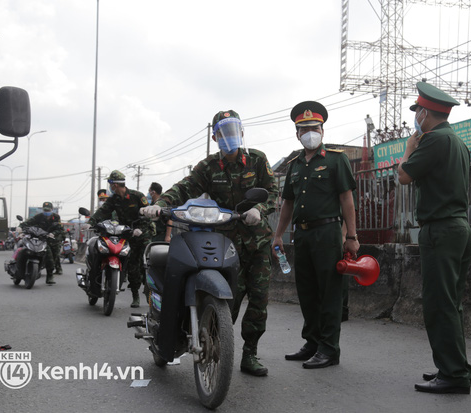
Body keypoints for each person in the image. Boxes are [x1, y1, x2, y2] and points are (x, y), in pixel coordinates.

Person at [142, 110, 278, 377]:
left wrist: (260, 209)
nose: (229, 137)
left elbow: (273, 191)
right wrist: (159, 205)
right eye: (222, 132)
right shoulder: (208, 167)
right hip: (225, 241)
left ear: (241, 131)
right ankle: (219, 346)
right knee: (230, 298)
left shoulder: (257, 159)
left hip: (258, 240)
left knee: (260, 300)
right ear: (215, 137)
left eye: (232, 130)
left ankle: (250, 353)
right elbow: (184, 187)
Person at [397, 81, 471, 394]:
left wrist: (407, 150)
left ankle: (454, 375)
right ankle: (452, 367)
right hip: (459, 228)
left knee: (439, 305)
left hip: (441, 230)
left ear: (425, 112)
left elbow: (403, 176)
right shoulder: (457, 141)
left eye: (417, 112)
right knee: (450, 304)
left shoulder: (433, 140)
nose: (416, 118)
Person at [272, 101, 359, 369]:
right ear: (297, 134)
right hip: (303, 235)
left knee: (330, 292)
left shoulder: (336, 159)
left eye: (315, 127)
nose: (310, 132)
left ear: (322, 130)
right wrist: (278, 236)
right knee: (307, 291)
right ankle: (312, 342)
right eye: (305, 128)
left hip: (328, 233)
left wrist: (351, 236)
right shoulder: (295, 164)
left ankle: (329, 348)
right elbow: (287, 202)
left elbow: (347, 199)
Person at [88, 170, 152, 308]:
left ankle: (149, 292)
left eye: (110, 183)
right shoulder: (114, 199)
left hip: (143, 233)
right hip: (128, 233)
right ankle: (135, 296)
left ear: (115, 184)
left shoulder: (137, 196)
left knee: (146, 264)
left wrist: (140, 228)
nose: (110, 187)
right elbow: (103, 211)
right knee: (133, 266)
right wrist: (91, 222)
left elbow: (148, 214)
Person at [19, 201, 64, 285]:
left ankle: (50, 274)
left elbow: (60, 228)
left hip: (54, 240)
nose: (47, 212)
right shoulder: (39, 217)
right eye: (45, 210)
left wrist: (53, 233)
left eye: (48, 210)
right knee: (49, 257)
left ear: (52, 209)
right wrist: (20, 227)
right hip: (42, 240)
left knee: (54, 259)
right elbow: (28, 222)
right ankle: (49, 276)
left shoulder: (56, 217)